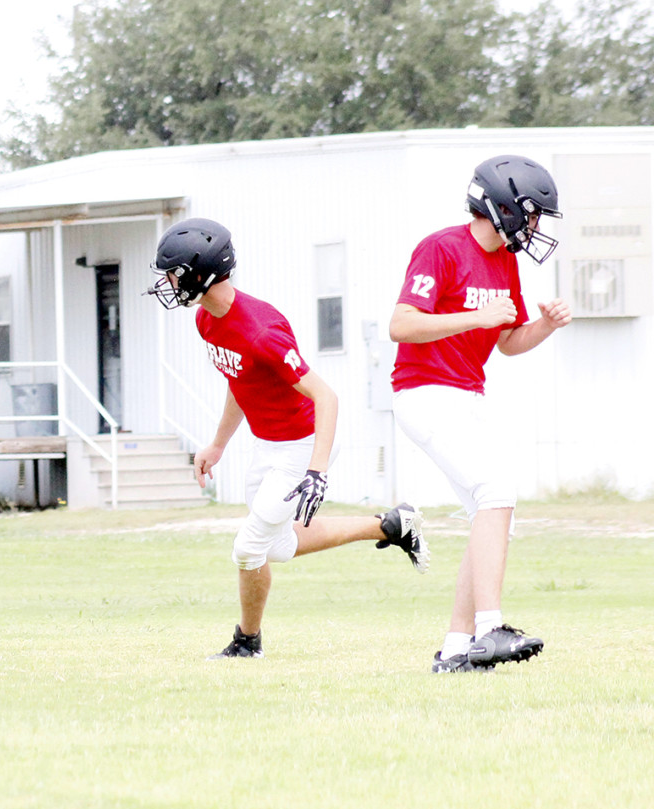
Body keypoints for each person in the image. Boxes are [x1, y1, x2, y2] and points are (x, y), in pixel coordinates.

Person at [149, 218, 429, 660]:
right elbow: (238, 380)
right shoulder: (206, 320)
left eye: (173, 273)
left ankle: (247, 642)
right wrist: (218, 444)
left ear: (199, 272)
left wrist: (315, 470)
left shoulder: (260, 330)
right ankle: (391, 525)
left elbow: (326, 396)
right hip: (270, 445)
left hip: (303, 445)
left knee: (248, 547)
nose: (168, 283)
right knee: (276, 545)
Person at [390, 155, 571, 673]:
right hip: (424, 391)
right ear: (504, 206)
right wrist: (478, 316)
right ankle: (489, 628)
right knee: (496, 494)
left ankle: (455, 649)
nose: (535, 226)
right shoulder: (441, 247)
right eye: (532, 214)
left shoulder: (505, 262)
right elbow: (401, 324)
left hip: (466, 394)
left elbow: (508, 341)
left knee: (491, 515)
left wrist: (546, 327)